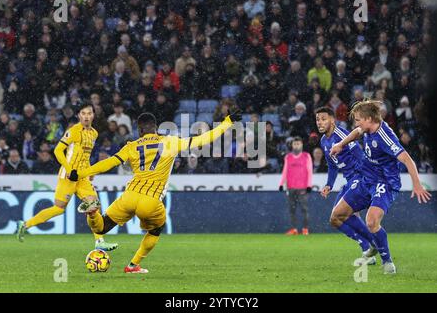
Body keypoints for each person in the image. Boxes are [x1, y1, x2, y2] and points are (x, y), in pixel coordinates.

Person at [70, 109, 242, 274]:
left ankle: (92, 213)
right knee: (156, 229)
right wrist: (227, 122)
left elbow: (108, 163)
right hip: (151, 200)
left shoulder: (131, 146)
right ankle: (133, 265)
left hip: (130, 196)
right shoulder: (170, 141)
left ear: (139, 130)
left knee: (101, 227)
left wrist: (81, 173)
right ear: (156, 127)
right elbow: (204, 139)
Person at [330, 100, 432, 274]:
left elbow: (407, 159)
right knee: (336, 216)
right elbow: (357, 131)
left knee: (371, 221)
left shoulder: (385, 136)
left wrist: (417, 184)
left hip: (384, 183)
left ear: (369, 119)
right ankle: (373, 243)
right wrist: (341, 144)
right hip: (366, 179)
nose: (356, 123)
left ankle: (388, 262)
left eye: (359, 119)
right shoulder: (368, 127)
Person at [17, 101, 118, 251]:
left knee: (94, 206)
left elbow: (86, 155)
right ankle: (25, 224)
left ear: (93, 115)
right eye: (83, 113)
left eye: (89, 113)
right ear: (78, 115)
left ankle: (99, 241)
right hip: (68, 176)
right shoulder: (73, 131)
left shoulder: (94, 133)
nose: (86, 116)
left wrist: (90, 172)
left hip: (82, 177)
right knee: (59, 208)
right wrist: (69, 169)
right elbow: (58, 150)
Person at [315, 107, 375, 265]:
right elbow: (333, 166)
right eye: (317, 119)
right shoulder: (323, 141)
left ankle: (374, 245)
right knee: (335, 220)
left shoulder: (342, 135)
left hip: (359, 177)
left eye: (323, 119)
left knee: (338, 215)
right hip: (349, 180)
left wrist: (365, 178)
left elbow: (360, 155)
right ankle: (368, 248)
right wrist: (329, 184)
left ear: (332, 120)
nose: (320, 122)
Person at [279, 137, 313, 235]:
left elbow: (309, 171)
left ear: (301, 145)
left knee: (304, 209)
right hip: (291, 187)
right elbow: (285, 171)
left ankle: (305, 229)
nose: (296, 146)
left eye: (298, 144)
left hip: (303, 188)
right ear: (292, 145)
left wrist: (309, 185)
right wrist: (281, 184)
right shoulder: (288, 157)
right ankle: (294, 229)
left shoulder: (306, 156)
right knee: (292, 210)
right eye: (295, 144)